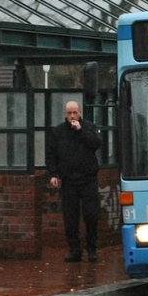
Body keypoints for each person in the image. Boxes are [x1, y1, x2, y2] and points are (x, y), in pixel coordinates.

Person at [46, 101, 102, 262]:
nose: (72, 116)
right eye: (69, 113)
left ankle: (92, 248)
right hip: (69, 181)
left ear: (80, 113)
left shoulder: (89, 127)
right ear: (65, 114)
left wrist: (81, 130)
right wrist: (53, 174)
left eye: (74, 113)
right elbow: (52, 154)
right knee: (70, 217)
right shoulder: (58, 132)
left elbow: (96, 144)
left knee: (91, 215)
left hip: (88, 179)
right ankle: (74, 249)